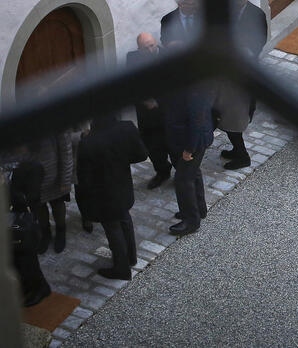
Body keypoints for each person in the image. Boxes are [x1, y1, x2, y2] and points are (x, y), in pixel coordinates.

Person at [75, 112, 148, 280]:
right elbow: (141, 155)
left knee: (113, 228)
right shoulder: (127, 127)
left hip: (103, 193)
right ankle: (131, 257)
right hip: (123, 185)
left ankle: (122, 268)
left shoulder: (88, 143)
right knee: (124, 219)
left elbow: (83, 179)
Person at [216, 0, 269, 171]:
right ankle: (237, 150)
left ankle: (242, 154)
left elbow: (261, 39)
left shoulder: (256, 15)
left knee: (234, 120)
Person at [163, 77, 214, 236]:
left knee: (183, 180)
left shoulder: (195, 89)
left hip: (192, 142)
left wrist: (189, 149)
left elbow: (197, 121)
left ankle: (191, 220)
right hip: (186, 138)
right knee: (193, 173)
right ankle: (199, 208)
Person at [126, 33, 172, 189]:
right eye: (145, 48)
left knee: (173, 146)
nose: (150, 50)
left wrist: (158, 101)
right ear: (139, 49)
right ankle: (162, 172)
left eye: (152, 46)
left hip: (167, 114)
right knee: (153, 148)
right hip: (147, 117)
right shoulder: (132, 58)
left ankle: (183, 174)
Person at [8, 164, 51, 306]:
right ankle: (29, 285)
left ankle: (39, 288)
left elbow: (31, 195)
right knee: (17, 259)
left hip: (21, 221)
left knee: (26, 259)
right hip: (13, 218)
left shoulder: (32, 165)